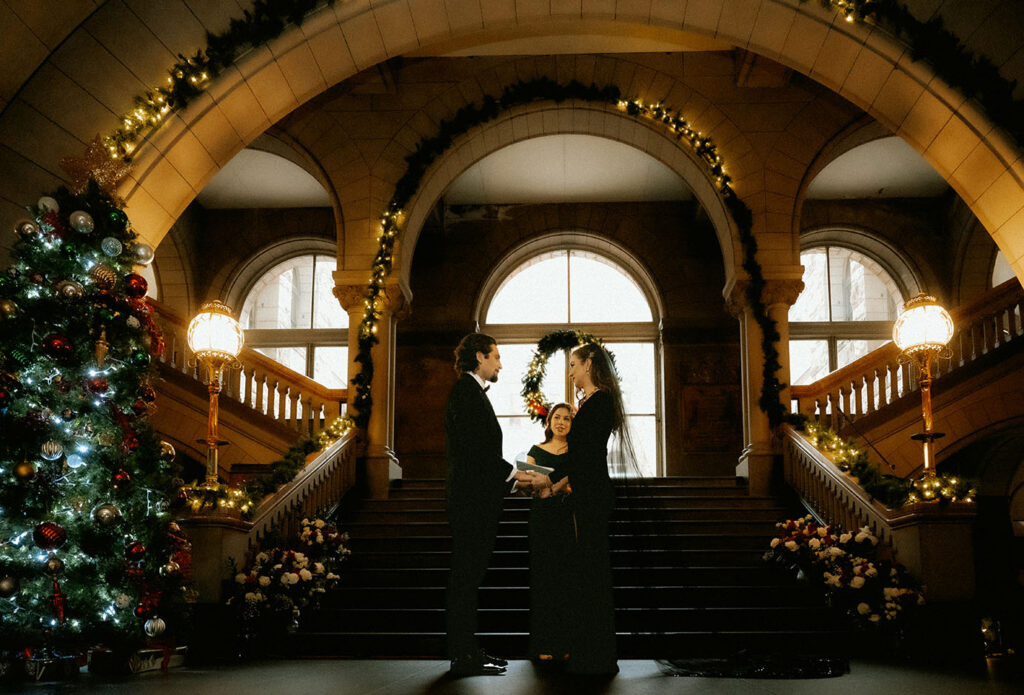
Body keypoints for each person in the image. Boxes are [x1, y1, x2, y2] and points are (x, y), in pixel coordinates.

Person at [525, 342, 624, 676]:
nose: (570, 372)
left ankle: (597, 656)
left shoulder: (600, 402)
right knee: (586, 573)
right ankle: (590, 651)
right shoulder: (593, 403)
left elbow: (587, 459)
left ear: (589, 364)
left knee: (593, 573)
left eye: (572, 365)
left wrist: (554, 486)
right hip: (585, 494)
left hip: (591, 496)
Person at [444, 332, 531, 676]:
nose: (499, 363)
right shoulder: (466, 393)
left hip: (475, 500)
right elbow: (477, 453)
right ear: (479, 357)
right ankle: (462, 655)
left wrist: (513, 476)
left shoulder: (470, 393)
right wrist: (516, 476)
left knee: (470, 578)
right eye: (495, 356)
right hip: (470, 504)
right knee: (466, 578)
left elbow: (480, 452)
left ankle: (468, 649)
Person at [523, 403, 574, 663]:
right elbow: (524, 483)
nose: (561, 422)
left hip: (566, 517)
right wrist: (531, 483)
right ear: (549, 421)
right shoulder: (535, 451)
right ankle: (543, 643)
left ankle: (566, 643)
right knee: (542, 579)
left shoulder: (576, 451)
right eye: (557, 417)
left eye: (567, 418)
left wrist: (554, 487)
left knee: (565, 580)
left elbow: (579, 483)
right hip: (541, 518)